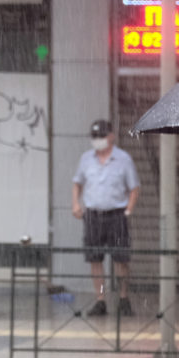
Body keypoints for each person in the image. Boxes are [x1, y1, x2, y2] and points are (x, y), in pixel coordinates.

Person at [71, 119, 140, 316]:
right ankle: (100, 298)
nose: (98, 140)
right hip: (93, 215)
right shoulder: (86, 159)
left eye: (101, 136)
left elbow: (134, 188)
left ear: (111, 136)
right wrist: (76, 203)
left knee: (121, 259)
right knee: (95, 260)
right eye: (95, 137)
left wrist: (128, 210)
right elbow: (77, 183)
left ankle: (123, 297)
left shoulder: (123, 159)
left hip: (116, 214)